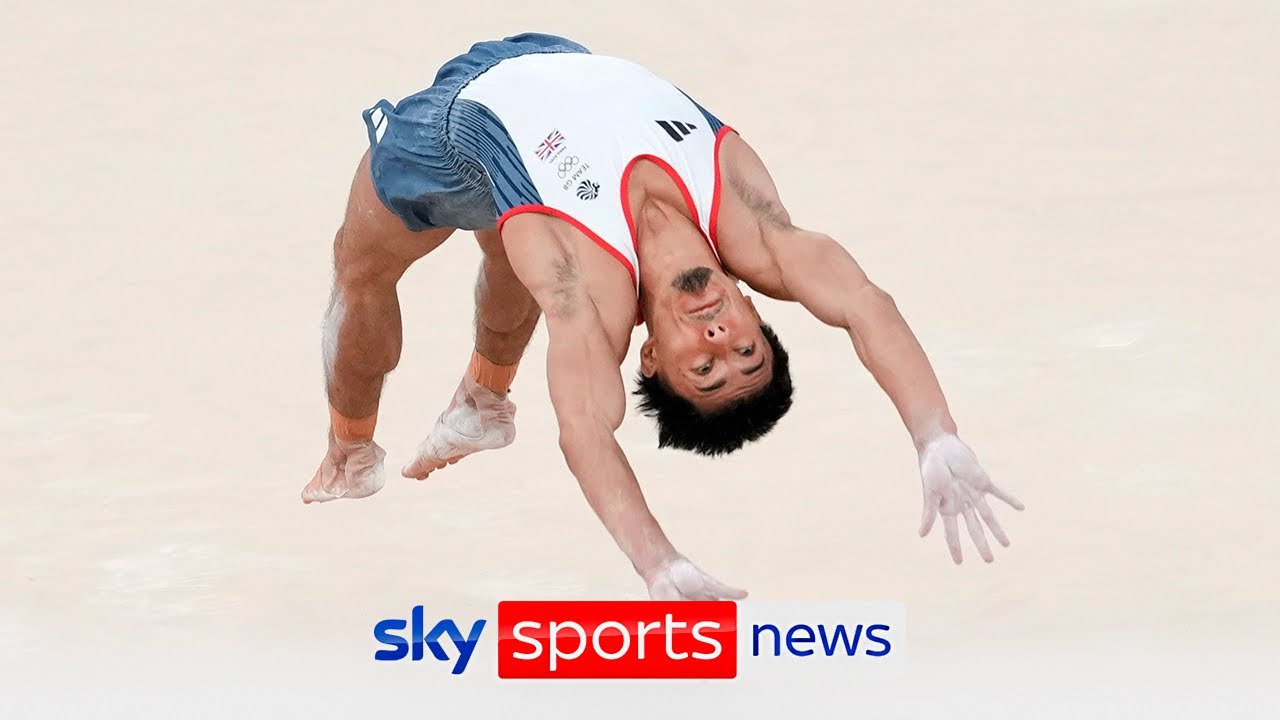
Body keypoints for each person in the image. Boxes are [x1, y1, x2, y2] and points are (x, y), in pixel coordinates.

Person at [301, 33, 1023, 599]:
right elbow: (866, 306)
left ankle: (349, 452)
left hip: (462, 121)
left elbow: (586, 431)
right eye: (746, 351)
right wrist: (936, 435)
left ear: (649, 357)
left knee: (361, 264)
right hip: (558, 54)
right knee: (509, 232)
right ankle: (483, 400)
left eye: (704, 366)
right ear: (754, 308)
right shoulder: (756, 230)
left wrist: (659, 563)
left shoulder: (594, 297)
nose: (719, 335)